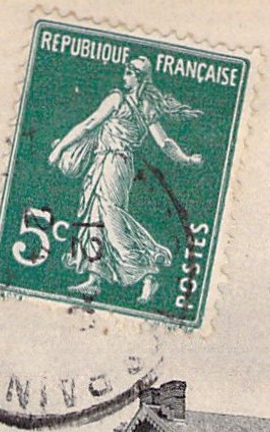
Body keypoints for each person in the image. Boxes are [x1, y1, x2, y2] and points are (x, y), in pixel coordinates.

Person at [46, 55, 204, 303]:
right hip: (108, 162)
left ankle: (150, 267)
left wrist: (59, 149)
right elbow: (165, 143)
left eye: (128, 72)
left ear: (138, 77)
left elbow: (89, 124)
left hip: (114, 164)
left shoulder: (118, 100)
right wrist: (185, 158)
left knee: (111, 216)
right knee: (93, 216)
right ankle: (94, 278)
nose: (124, 76)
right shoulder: (146, 108)